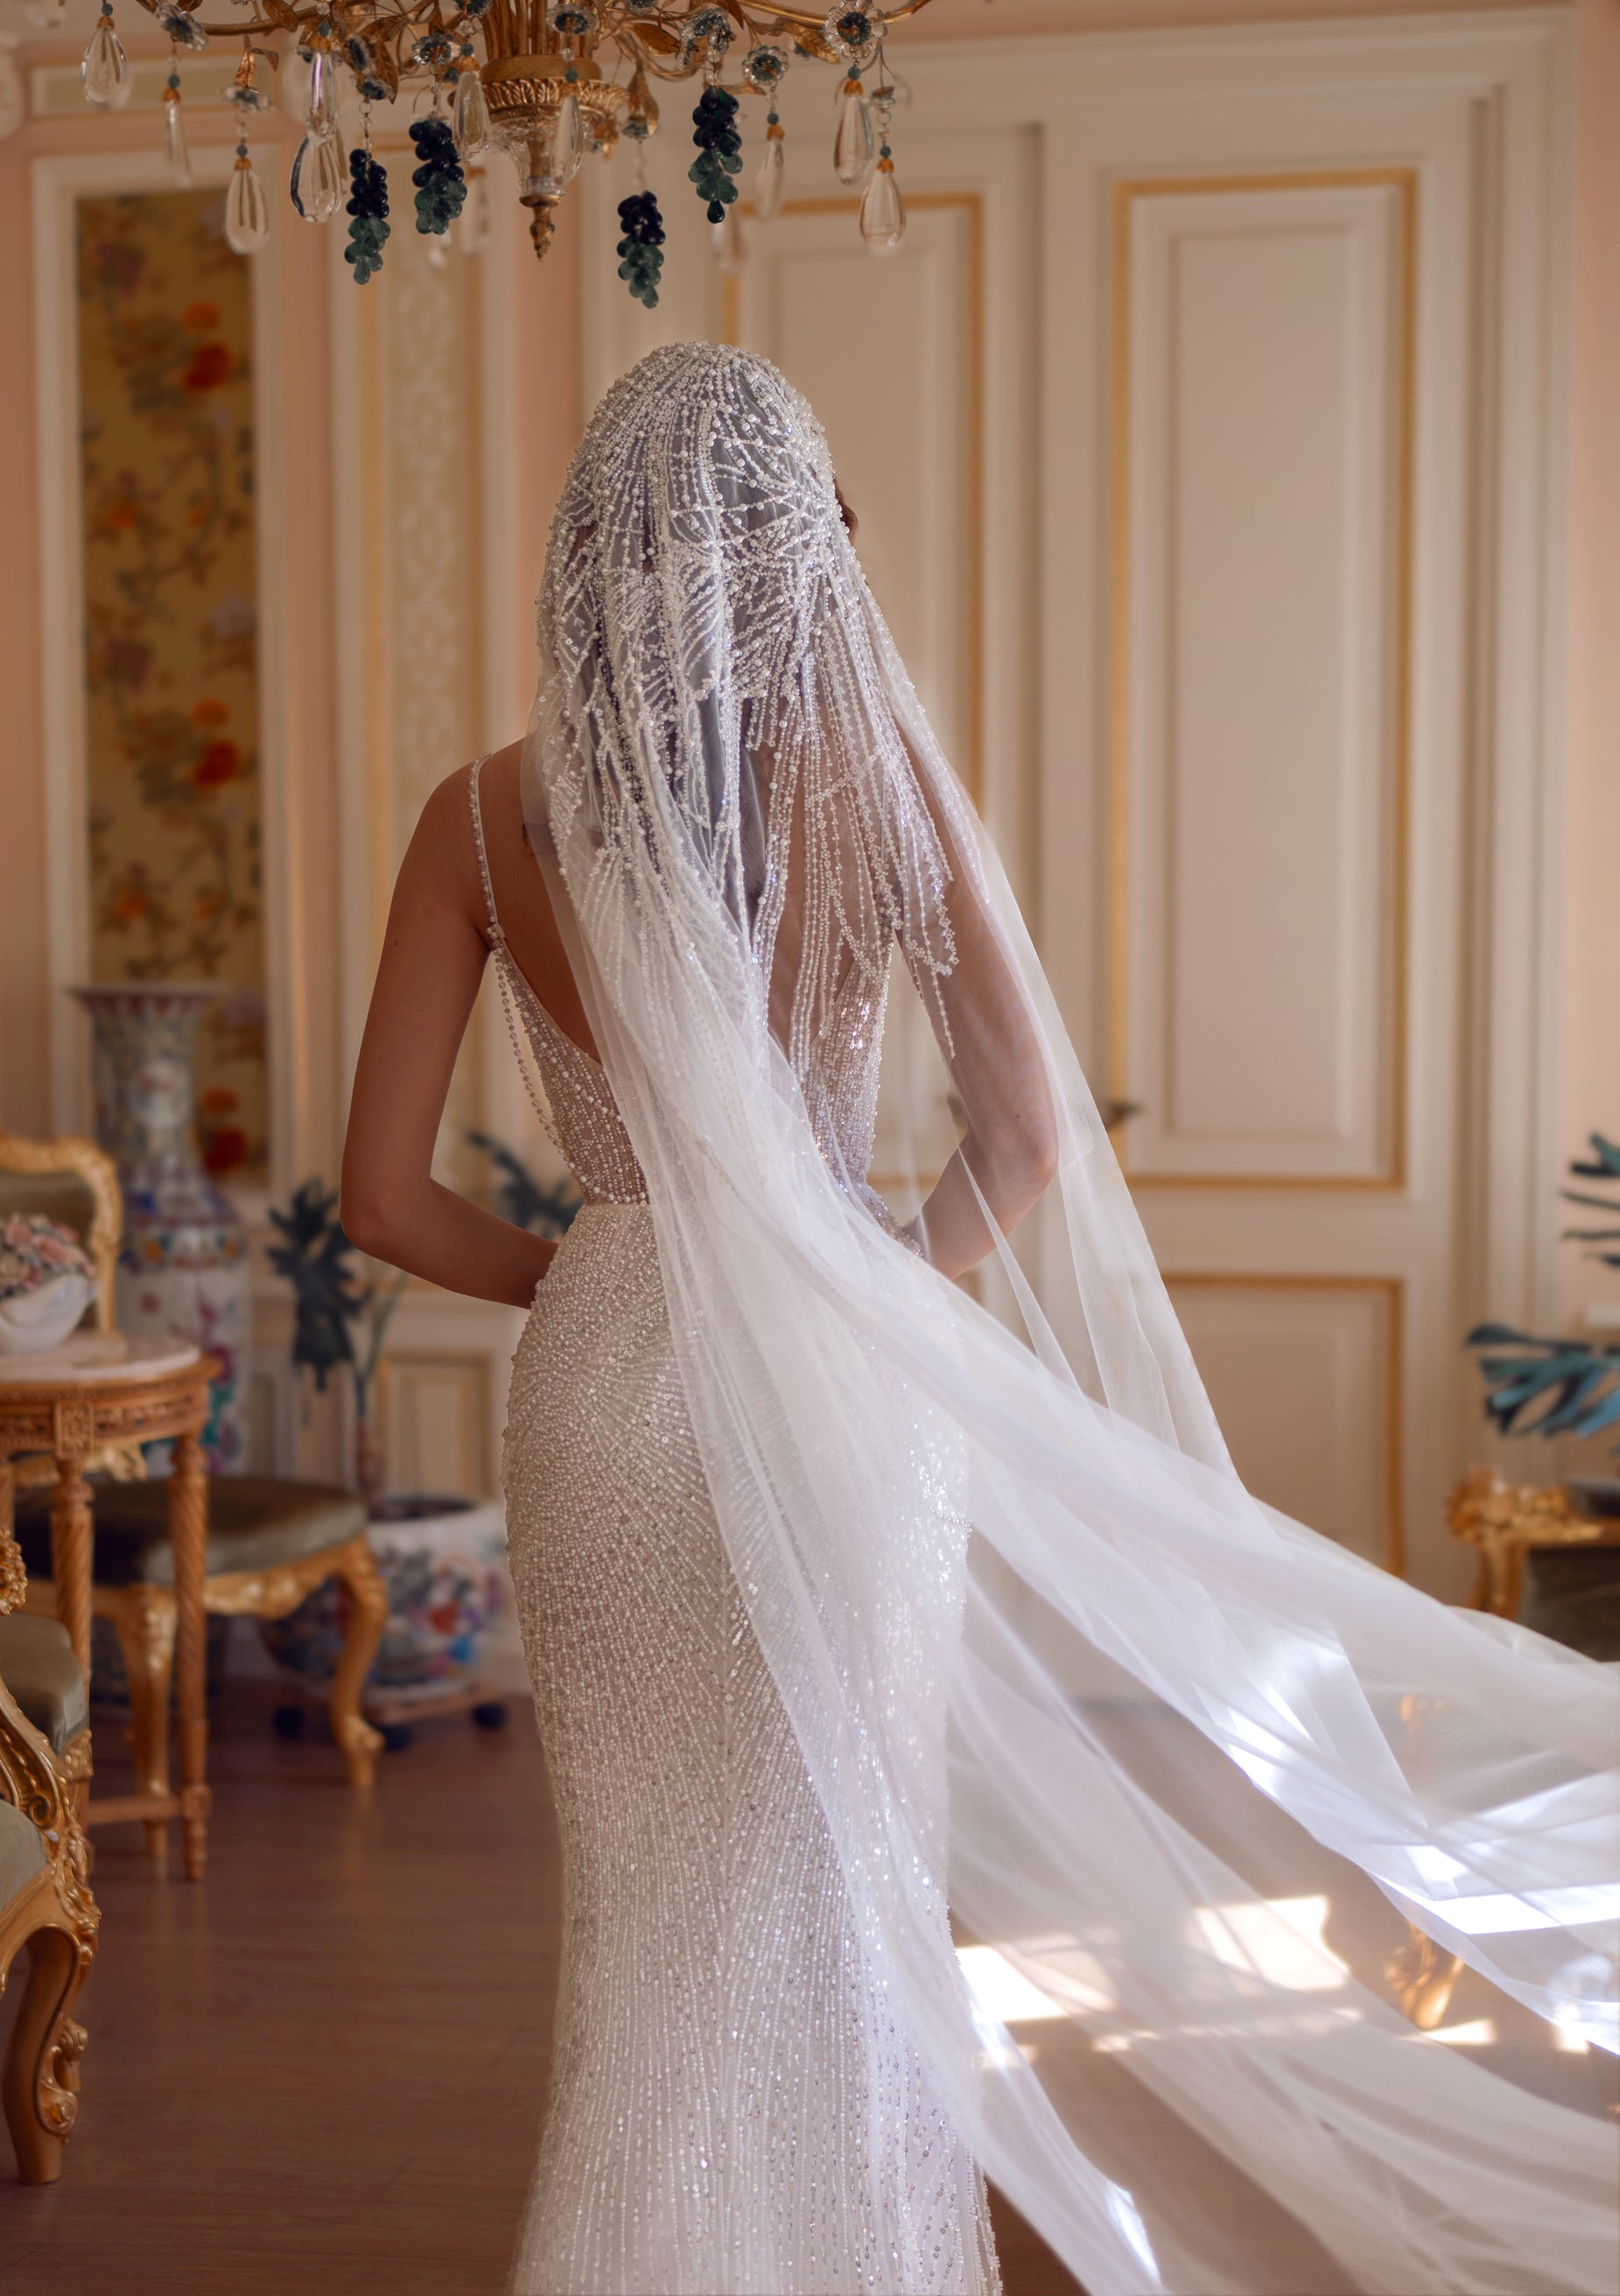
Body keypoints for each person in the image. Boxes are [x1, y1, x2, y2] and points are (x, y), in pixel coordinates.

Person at [342, 342, 1617, 2296]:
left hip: (604, 1386)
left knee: (649, 1915)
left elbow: (383, 1197)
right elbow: (1023, 1134)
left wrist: (610, 1269)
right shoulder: (878, 784)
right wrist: (849, 1292)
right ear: (794, 551)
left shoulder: (484, 817)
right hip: (843, 1396)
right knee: (838, 1907)